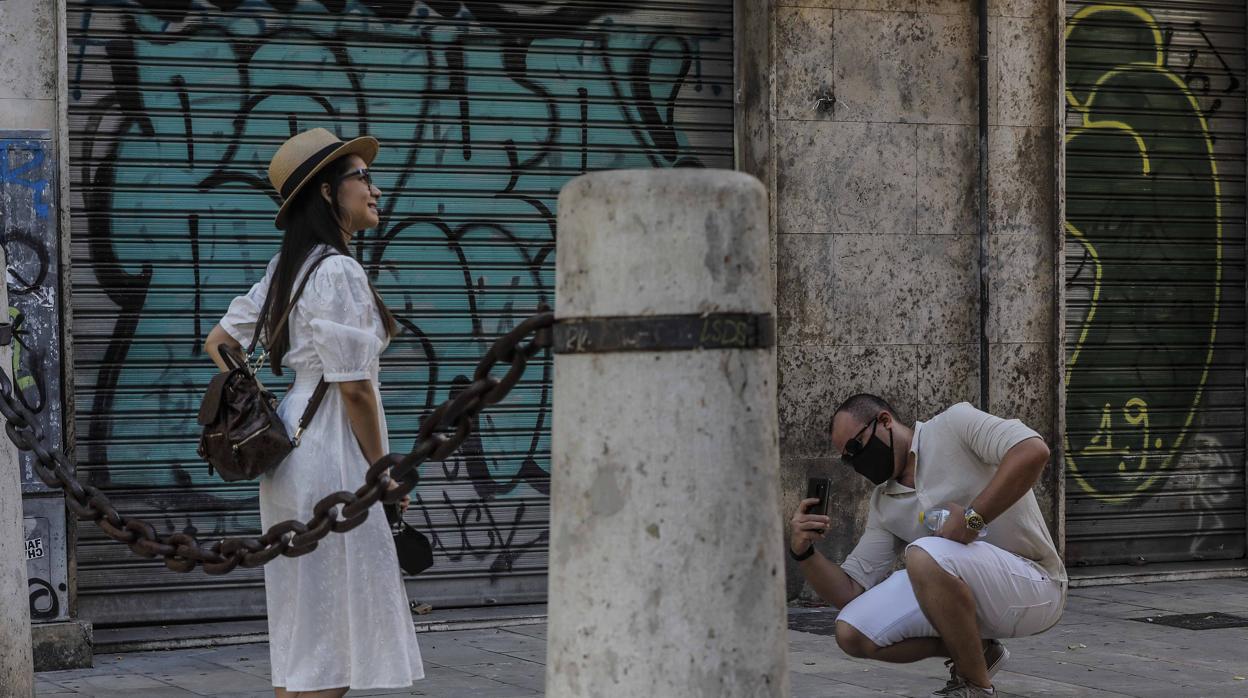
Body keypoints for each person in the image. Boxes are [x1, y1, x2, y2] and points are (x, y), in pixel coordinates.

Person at [205, 128, 424, 697]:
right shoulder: (339, 272)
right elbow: (355, 389)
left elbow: (219, 340)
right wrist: (385, 472)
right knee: (335, 643)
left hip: (290, 443)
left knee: (307, 635)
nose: (374, 188)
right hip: (332, 452)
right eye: (361, 176)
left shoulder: (288, 267)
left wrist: (260, 399)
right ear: (327, 193)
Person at [789, 394, 1065, 698]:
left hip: (1035, 584)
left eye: (856, 448)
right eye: (847, 458)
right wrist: (803, 551)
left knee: (921, 555)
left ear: (884, 421)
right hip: (962, 597)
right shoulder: (884, 503)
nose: (856, 462)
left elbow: (1033, 450)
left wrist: (974, 520)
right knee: (852, 631)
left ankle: (976, 687)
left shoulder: (954, 425)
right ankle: (979, 653)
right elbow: (850, 590)